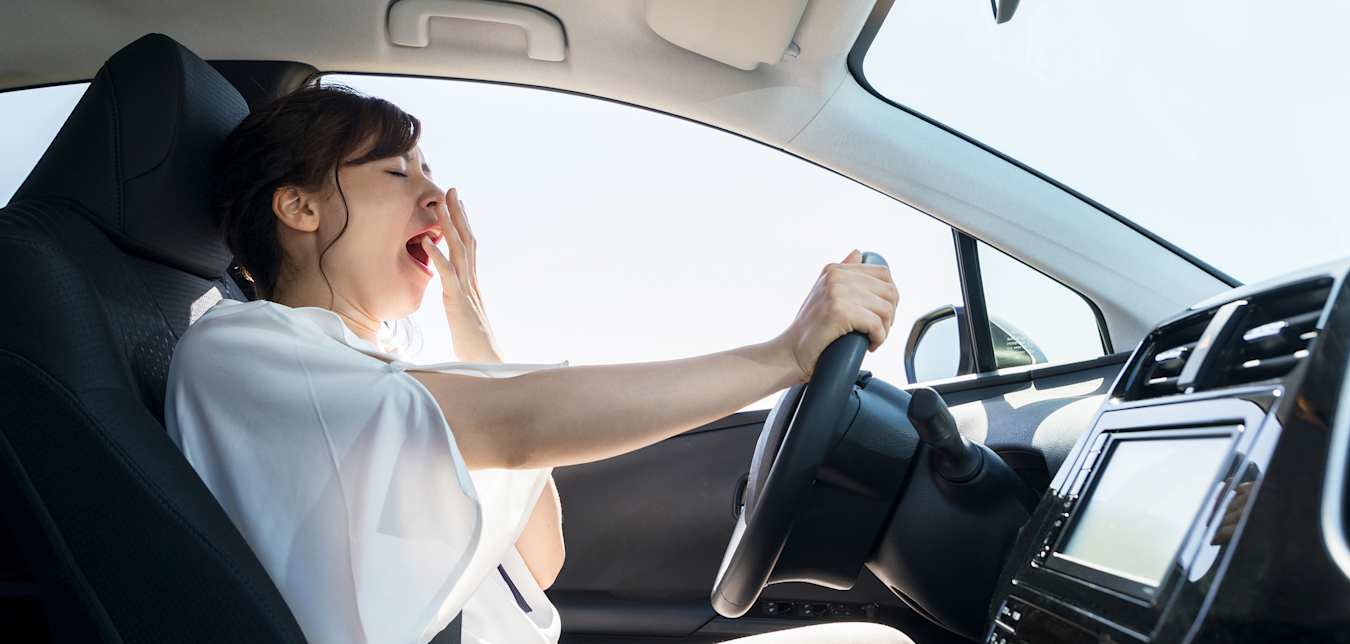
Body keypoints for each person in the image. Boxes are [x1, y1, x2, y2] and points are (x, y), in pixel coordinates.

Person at [164, 81, 908, 644]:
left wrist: (475, 332)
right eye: (397, 173)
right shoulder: (242, 350)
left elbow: (539, 559)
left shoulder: (367, 371)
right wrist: (783, 354)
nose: (438, 198)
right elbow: (518, 423)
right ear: (299, 208)